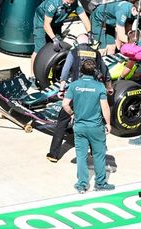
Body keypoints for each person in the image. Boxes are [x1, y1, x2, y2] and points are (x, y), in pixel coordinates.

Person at [47, 34, 112, 163]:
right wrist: (109, 87)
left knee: (62, 122)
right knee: (94, 120)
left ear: (77, 42)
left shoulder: (73, 52)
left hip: (76, 91)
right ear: (89, 43)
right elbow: (105, 72)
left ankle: (53, 154)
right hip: (93, 92)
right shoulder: (96, 53)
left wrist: (61, 88)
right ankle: (94, 151)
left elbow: (65, 71)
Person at [62, 59, 115, 193]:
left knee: (81, 156)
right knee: (98, 155)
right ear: (95, 72)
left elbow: (65, 104)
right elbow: (105, 108)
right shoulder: (99, 87)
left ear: (81, 71)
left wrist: (72, 114)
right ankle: (100, 183)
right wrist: (108, 123)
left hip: (79, 127)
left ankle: (82, 184)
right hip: (95, 127)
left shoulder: (74, 86)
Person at [31, 0, 91, 72]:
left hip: (57, 22)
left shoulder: (76, 3)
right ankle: (32, 75)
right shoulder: (53, 3)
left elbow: (84, 18)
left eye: (71, 3)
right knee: (39, 49)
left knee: (59, 46)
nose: (69, 5)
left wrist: (89, 32)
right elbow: (46, 24)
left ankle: (52, 67)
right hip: (42, 22)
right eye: (67, 3)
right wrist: (53, 38)